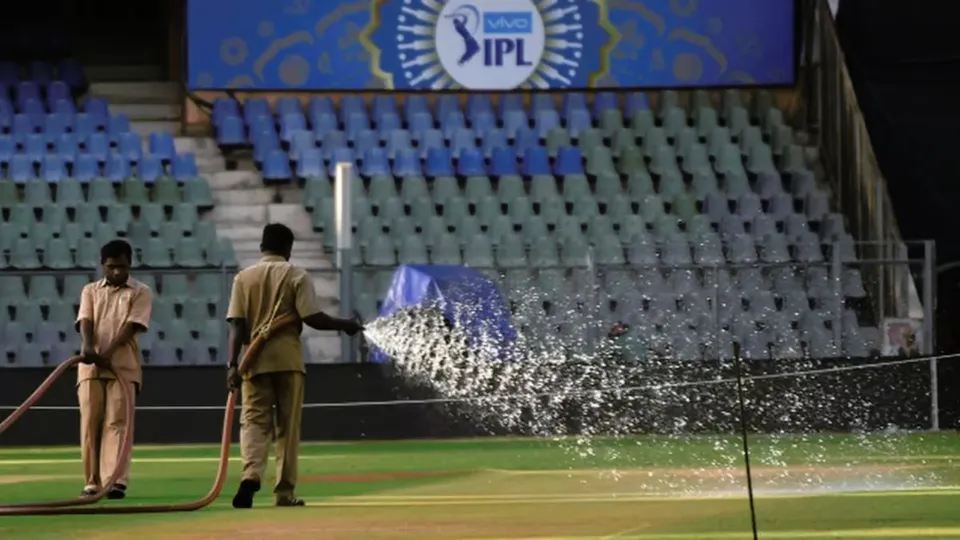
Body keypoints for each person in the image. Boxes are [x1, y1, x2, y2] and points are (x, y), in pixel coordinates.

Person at [226, 223, 363, 509]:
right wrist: (347, 325)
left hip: (253, 363)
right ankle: (284, 493)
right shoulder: (296, 275)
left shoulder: (243, 278)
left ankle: (250, 476)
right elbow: (312, 317)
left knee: (253, 421)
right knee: (287, 427)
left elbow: (237, 326)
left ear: (262, 247)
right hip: (288, 360)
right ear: (288, 248)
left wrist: (231, 364)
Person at [75, 239, 152, 500]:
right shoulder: (90, 290)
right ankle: (92, 482)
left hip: (123, 367)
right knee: (90, 423)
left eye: (121, 267)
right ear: (102, 266)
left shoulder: (140, 292)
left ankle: (115, 480)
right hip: (90, 368)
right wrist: (88, 348)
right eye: (111, 267)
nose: (117, 272)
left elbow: (131, 326)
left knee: (116, 423)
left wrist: (106, 354)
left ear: (130, 264)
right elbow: (85, 319)